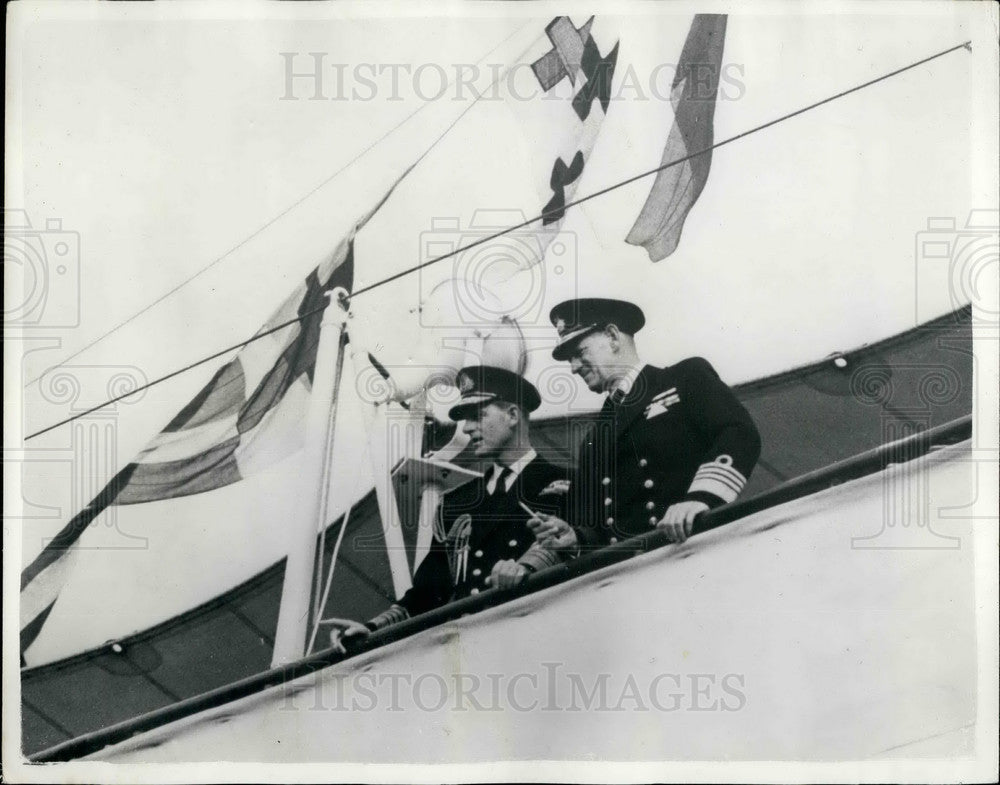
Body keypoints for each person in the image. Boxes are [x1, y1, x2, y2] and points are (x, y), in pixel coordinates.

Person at [331, 365, 567, 653]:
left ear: (513, 416)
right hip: (470, 646)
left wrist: (525, 569)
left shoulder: (564, 483)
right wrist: (372, 628)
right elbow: (429, 591)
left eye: (478, 416)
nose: (466, 428)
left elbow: (570, 550)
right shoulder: (456, 503)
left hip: (535, 638)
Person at [528, 297, 761, 552]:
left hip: (692, 548)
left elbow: (738, 432)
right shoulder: (594, 439)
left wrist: (701, 498)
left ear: (613, 336)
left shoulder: (683, 378)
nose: (573, 368)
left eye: (579, 352)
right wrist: (577, 537)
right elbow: (605, 525)